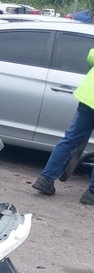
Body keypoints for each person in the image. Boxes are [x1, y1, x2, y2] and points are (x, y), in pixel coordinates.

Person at [32, 47, 94, 205]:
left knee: (70, 139)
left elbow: (91, 56)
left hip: (89, 97)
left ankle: (46, 179)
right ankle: (91, 194)